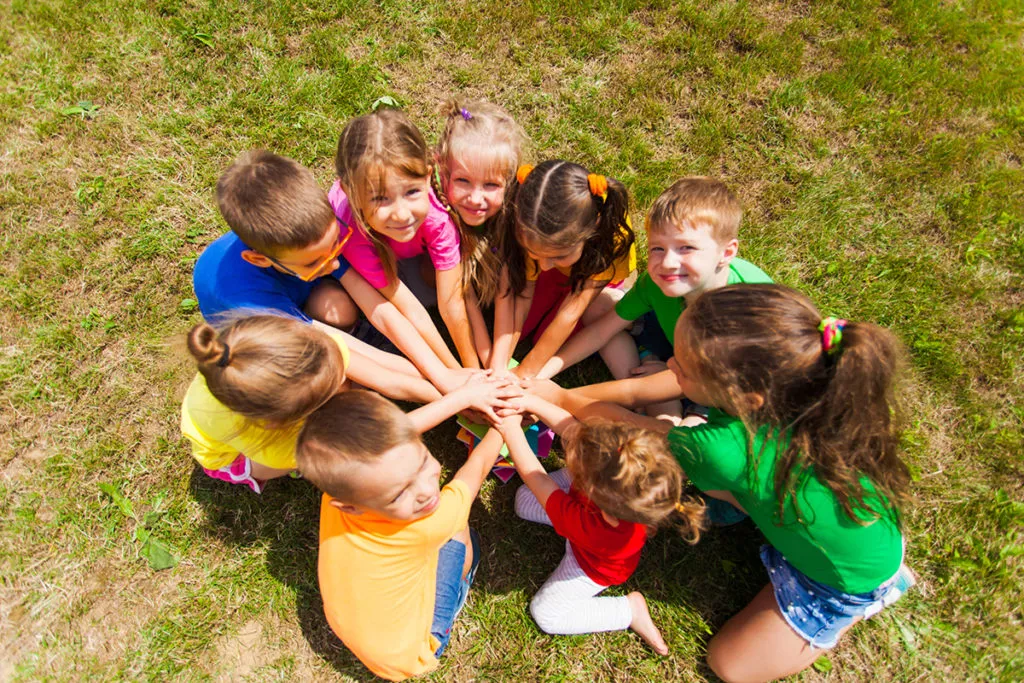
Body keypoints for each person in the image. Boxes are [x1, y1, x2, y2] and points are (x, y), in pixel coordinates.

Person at [541, 284, 916, 682]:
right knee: (710, 476)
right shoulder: (801, 384)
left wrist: (556, 399)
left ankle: (873, 597)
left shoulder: (724, 449)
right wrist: (565, 395)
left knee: (730, 665)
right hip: (859, 528)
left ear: (744, 395)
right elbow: (641, 392)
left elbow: (625, 424)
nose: (669, 363)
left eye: (681, 367)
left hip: (844, 580)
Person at [192, 149, 465, 394]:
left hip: (296, 283)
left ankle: (328, 307)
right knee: (332, 382)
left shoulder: (311, 236)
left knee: (340, 308)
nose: (334, 264)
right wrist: (447, 388)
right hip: (265, 329)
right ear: (259, 259)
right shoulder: (249, 302)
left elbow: (380, 307)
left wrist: (448, 375)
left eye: (335, 244)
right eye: (315, 262)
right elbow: (367, 366)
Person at [296, 391, 513, 681]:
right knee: (460, 529)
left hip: (365, 629)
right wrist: (505, 424)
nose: (426, 491)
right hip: (414, 651)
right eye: (399, 493)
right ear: (351, 505)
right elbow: (475, 471)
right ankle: (458, 588)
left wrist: (463, 397)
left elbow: (398, 434)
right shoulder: (426, 524)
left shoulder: (343, 490)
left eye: (423, 461)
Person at [181, 314, 511, 493]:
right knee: (332, 452)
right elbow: (377, 438)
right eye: (330, 388)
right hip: (230, 456)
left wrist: (455, 385)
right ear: (283, 419)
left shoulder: (296, 346)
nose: (344, 381)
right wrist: (459, 400)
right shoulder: (275, 437)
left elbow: (388, 377)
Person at [535, 177, 771, 421]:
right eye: (657, 248)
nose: (667, 263)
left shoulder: (745, 311)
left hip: (716, 392)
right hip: (675, 358)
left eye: (686, 248)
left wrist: (558, 395)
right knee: (600, 305)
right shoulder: (656, 283)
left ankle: (658, 410)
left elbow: (706, 384)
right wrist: (540, 374)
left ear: (727, 253)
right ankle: (648, 395)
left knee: (679, 439)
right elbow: (600, 331)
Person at [495, 394, 704, 655]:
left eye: (578, 465)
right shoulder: (618, 456)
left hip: (589, 565)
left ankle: (628, 611)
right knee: (523, 501)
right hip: (582, 516)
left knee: (546, 614)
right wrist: (527, 400)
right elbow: (571, 428)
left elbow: (538, 481)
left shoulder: (597, 528)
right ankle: (568, 495)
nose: (569, 452)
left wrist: (509, 428)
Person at [331, 108, 477, 369]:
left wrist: (473, 369)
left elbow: (451, 301)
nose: (401, 214)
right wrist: (456, 376)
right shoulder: (351, 232)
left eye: (411, 191)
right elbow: (409, 309)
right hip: (368, 256)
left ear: (428, 176)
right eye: (379, 198)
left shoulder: (436, 217)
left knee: (441, 288)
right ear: (349, 192)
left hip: (399, 250)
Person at [491, 160, 638, 379]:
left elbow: (571, 313)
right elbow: (523, 293)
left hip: (591, 278)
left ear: (594, 227)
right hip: (562, 274)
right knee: (523, 330)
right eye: (535, 254)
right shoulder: (531, 224)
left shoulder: (612, 238)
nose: (544, 266)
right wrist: (499, 364)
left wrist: (525, 373)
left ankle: (617, 294)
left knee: (546, 338)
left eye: (558, 255)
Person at [433, 100, 525, 368]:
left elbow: (506, 292)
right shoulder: (442, 218)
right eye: (463, 181)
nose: (476, 198)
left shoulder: (512, 215)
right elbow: (464, 295)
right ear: (444, 171)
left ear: (508, 183)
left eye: (490, 185)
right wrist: (480, 367)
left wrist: (496, 366)